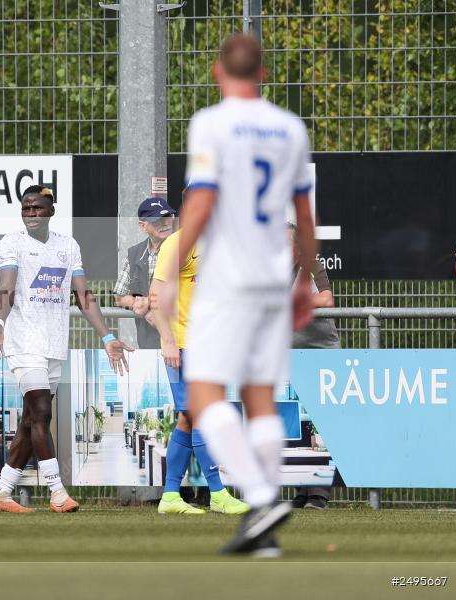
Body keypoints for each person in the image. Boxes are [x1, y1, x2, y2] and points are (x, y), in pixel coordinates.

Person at [158, 34, 318, 556]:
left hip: (228, 277)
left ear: (216, 72)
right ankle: (263, 532)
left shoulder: (212, 123)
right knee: (260, 396)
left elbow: (202, 201)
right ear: (264, 73)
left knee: (203, 396)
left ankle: (260, 496)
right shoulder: (290, 128)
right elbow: (305, 215)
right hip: (272, 278)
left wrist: (173, 268)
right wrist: (305, 279)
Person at [0, 185, 132, 514]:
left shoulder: (68, 246)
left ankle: (2, 494)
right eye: (26, 207)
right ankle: (57, 492)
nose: (31, 213)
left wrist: (107, 338)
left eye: (38, 207)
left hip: (54, 345)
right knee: (42, 413)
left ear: (51, 210)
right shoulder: (11, 243)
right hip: (23, 343)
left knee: (30, 420)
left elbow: (84, 296)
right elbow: (6, 287)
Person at [149, 208, 249, 516]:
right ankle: (218, 493)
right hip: (182, 346)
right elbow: (155, 296)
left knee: (189, 418)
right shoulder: (177, 244)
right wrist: (168, 341)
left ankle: (170, 496)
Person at [288, 223, 339, 510]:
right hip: (289, 356)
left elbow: (327, 299)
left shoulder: (311, 266)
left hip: (321, 355)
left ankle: (319, 494)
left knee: (321, 424)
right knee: (297, 424)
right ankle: (302, 489)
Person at [114, 197, 178, 349]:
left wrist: (149, 305)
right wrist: (144, 308)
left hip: (184, 341)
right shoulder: (134, 254)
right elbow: (119, 297)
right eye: (157, 220)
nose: (165, 223)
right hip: (149, 345)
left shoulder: (186, 247)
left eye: (167, 216)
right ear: (143, 226)